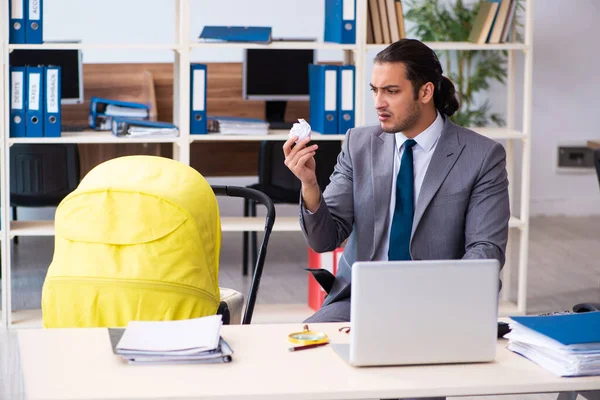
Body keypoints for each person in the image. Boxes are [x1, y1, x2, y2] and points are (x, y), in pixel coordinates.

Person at [283, 38, 510, 324]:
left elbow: (485, 250)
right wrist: (310, 186)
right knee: (307, 351)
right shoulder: (359, 143)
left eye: (391, 91)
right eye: (375, 90)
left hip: (440, 304)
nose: (379, 103)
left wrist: (439, 306)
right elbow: (323, 240)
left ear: (425, 91)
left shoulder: (482, 156)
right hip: (359, 301)